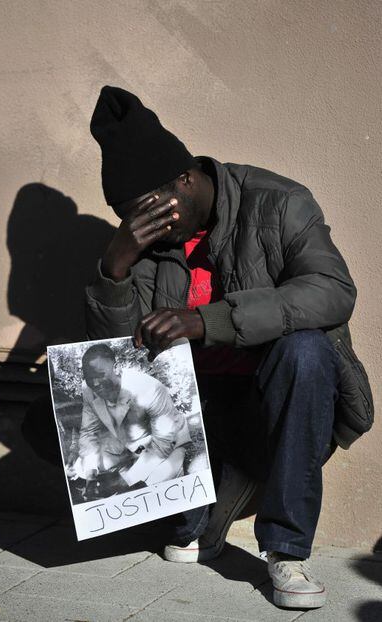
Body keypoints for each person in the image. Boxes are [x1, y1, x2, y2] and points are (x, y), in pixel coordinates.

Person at [84, 85, 369, 610]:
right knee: (56, 411)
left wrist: (205, 321)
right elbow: (119, 356)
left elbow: (332, 292)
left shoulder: (281, 203)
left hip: (275, 403)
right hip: (195, 416)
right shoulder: (147, 244)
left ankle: (286, 551)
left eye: (150, 213)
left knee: (305, 349)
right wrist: (116, 268)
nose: (148, 231)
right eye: (132, 221)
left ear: (186, 179)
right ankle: (204, 504)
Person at [74, 343, 192, 501]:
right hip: (129, 444)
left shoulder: (149, 388)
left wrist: (124, 482)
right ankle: (123, 469)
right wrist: (91, 477)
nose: (95, 383)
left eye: (100, 374)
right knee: (83, 467)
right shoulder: (87, 389)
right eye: (89, 378)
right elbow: (88, 432)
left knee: (157, 484)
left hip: (168, 441)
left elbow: (164, 442)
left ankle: (134, 474)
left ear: (115, 368)